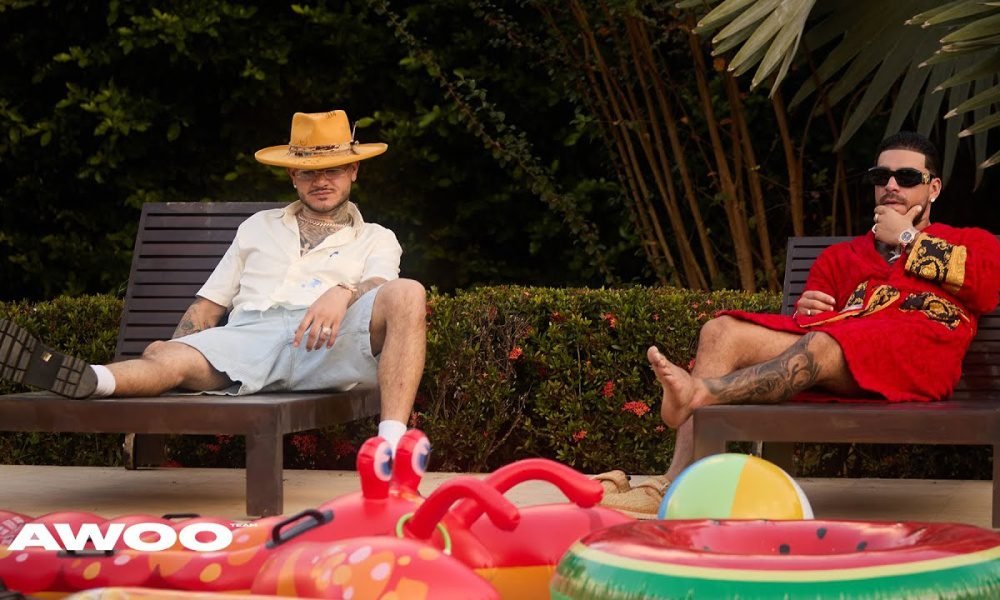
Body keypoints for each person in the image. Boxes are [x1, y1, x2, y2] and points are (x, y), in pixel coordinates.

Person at [597, 131, 1000, 515]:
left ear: (933, 188)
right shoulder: (839, 259)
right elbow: (812, 327)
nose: (891, 185)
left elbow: (987, 288)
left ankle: (698, 394)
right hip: (840, 360)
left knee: (825, 343)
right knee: (720, 331)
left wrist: (908, 238)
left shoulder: (970, 241)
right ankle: (676, 483)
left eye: (907, 177)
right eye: (881, 177)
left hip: (917, 362)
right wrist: (806, 314)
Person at [0, 109, 426, 452]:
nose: (321, 181)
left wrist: (343, 291)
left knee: (408, 292)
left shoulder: (377, 237)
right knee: (166, 356)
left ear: (353, 171)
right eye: (308, 172)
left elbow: (381, 286)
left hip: (328, 345)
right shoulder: (256, 228)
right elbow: (206, 309)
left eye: (333, 170)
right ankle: (93, 380)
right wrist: (170, 356)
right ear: (291, 176)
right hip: (248, 341)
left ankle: (390, 448)